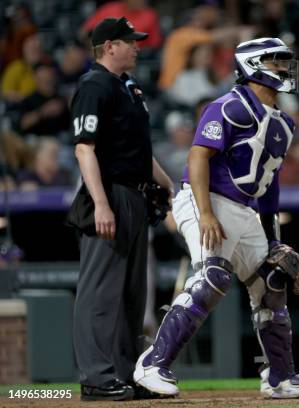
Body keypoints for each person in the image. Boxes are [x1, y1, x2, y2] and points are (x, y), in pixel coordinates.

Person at [133, 37, 299, 399]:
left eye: (284, 61)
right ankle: (152, 364)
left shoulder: (283, 123)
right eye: (275, 61)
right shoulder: (227, 107)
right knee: (213, 277)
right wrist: (204, 214)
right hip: (203, 201)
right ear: (252, 65)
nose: (284, 68)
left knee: (273, 280)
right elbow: (198, 157)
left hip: (245, 210)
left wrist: (273, 237)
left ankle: (280, 377)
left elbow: (269, 184)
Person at [70, 17, 174, 401]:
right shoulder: (94, 85)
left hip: (133, 195)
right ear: (109, 46)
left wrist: (168, 185)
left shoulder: (126, 87)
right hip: (109, 194)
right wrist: (100, 203)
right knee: (100, 292)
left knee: (132, 295)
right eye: (130, 41)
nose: (138, 46)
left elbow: (139, 152)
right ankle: (96, 376)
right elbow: (85, 148)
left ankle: (129, 373)